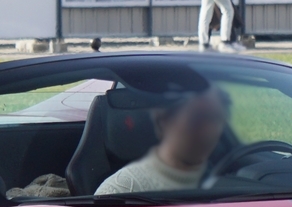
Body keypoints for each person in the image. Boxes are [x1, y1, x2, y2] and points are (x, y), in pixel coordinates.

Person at [95, 80, 231, 197]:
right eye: (196, 119)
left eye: (215, 119)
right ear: (163, 121)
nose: (207, 132)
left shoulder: (230, 179)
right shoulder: (120, 189)